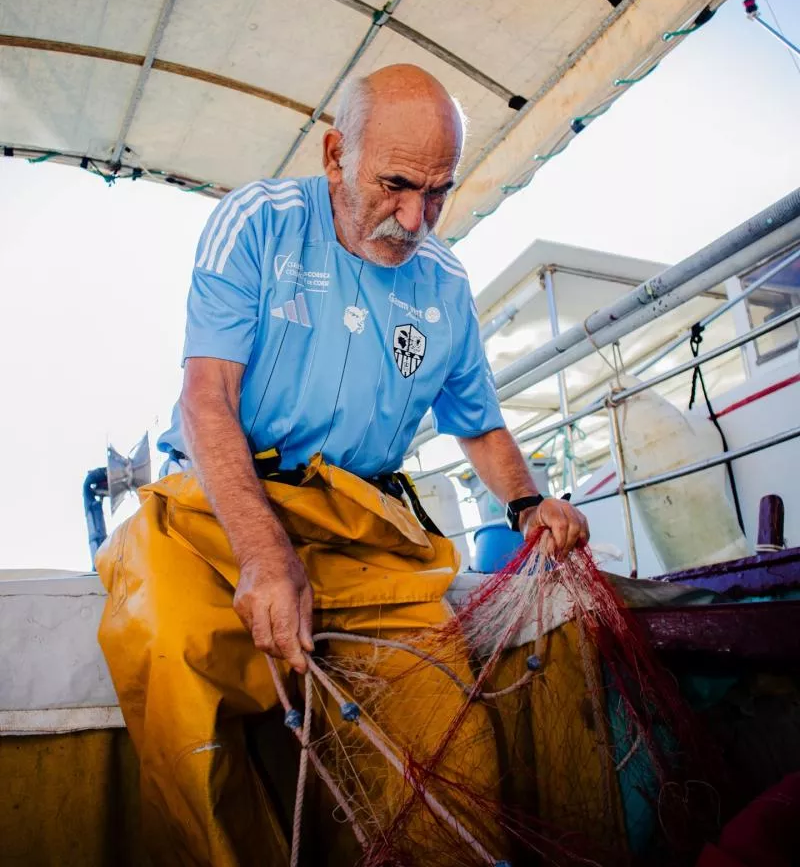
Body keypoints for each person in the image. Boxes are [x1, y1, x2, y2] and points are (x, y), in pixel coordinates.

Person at [95, 64, 590, 866]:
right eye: (396, 184)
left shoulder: (447, 284)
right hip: (223, 512)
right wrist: (264, 554)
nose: (415, 218)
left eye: (438, 192)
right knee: (171, 648)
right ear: (335, 155)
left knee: (442, 702)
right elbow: (207, 399)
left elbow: (482, 425)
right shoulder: (256, 223)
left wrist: (530, 504)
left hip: (364, 526)